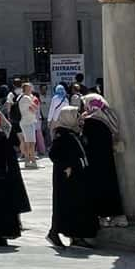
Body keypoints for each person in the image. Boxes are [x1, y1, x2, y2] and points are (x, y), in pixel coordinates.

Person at [47, 106, 97, 250]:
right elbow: (54, 155)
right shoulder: (61, 135)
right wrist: (66, 166)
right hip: (66, 178)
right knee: (64, 205)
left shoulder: (72, 133)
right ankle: (54, 233)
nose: (78, 118)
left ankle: (76, 236)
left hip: (76, 176)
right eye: (75, 116)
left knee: (76, 205)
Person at [0, 104, 30, 247]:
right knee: (4, 205)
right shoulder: (3, 132)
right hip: (5, 173)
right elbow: (15, 141)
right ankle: (3, 233)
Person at [79, 93, 127, 228]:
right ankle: (118, 216)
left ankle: (102, 217)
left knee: (98, 189)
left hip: (95, 162)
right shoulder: (107, 118)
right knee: (111, 186)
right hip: (108, 159)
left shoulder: (91, 122)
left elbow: (86, 142)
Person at [17, 83, 40, 169]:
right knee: (30, 143)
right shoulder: (26, 98)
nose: (31, 90)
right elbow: (35, 108)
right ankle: (31, 161)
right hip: (27, 122)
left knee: (29, 142)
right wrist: (34, 100)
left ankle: (29, 161)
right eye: (30, 88)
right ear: (26, 89)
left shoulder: (22, 97)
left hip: (27, 121)